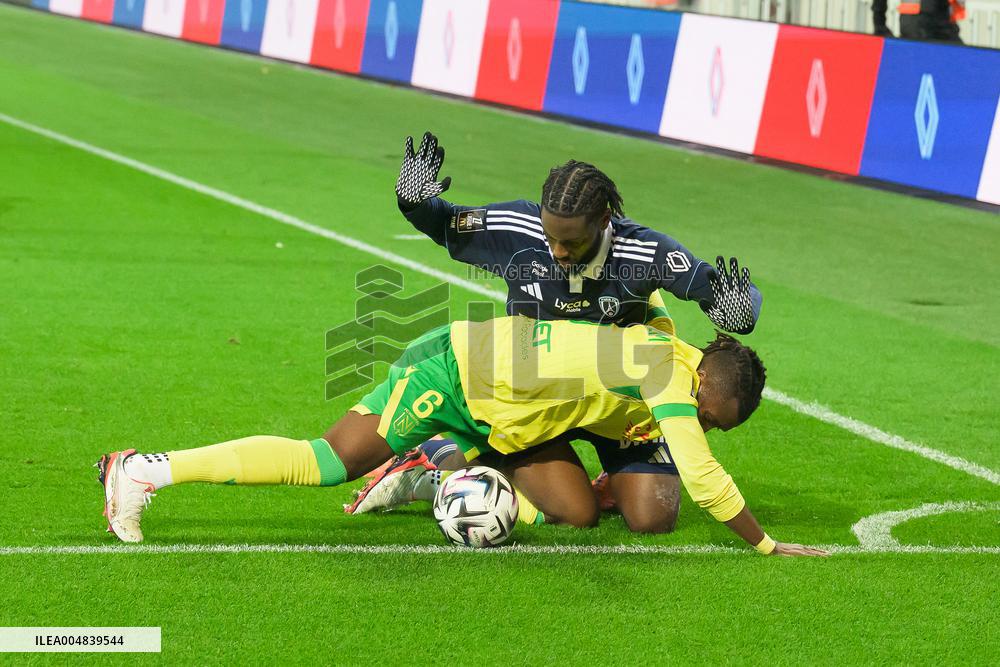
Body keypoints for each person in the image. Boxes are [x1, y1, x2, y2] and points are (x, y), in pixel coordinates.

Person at [96, 313, 827, 557]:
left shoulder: (671, 346)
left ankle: (439, 463)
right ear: (705, 390)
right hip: (454, 374)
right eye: (710, 418)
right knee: (325, 462)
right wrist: (766, 543)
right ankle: (143, 471)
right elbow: (700, 475)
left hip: (504, 412)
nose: (702, 429)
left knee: (575, 509)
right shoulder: (670, 376)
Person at [345, 132, 762, 533]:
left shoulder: (643, 252)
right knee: (578, 514)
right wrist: (412, 200)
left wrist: (743, 312)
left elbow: (714, 287)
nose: (558, 252)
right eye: (550, 238)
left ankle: (596, 475)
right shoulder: (517, 228)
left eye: (571, 241)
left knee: (653, 519)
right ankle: (440, 462)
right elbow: (445, 222)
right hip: (540, 396)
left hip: (619, 404)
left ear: (603, 222)